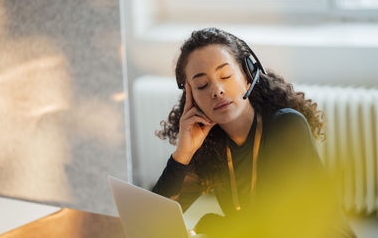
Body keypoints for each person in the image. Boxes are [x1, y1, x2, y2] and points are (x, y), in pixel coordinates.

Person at [152, 28, 356, 238]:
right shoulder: (211, 145)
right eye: (202, 85)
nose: (217, 90)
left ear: (248, 76)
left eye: (225, 75)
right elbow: (153, 222)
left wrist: (211, 225)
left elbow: (278, 224)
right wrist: (183, 154)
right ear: (191, 97)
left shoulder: (286, 126)